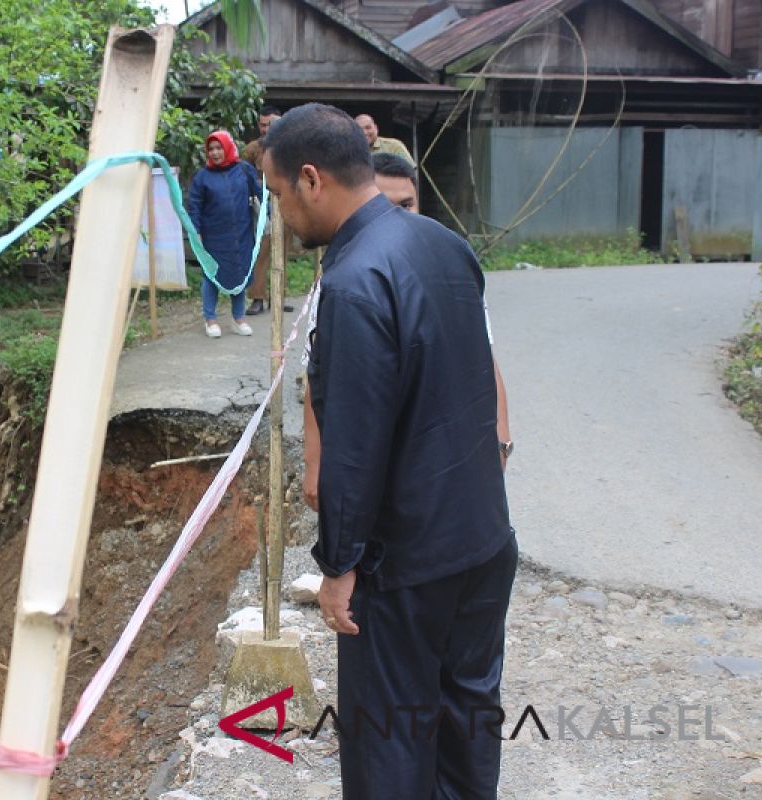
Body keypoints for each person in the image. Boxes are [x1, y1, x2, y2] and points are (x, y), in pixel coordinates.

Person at [261, 104, 516, 799]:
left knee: (389, 747)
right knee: (466, 725)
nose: (282, 213)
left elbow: (354, 444)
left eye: (279, 194)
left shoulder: (352, 283)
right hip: (484, 542)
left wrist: (339, 564)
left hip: (407, 563)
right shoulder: (444, 245)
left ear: (311, 180)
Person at [302, 152, 512, 514]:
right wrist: (314, 463)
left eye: (406, 204)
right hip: (374, 458)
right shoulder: (342, 281)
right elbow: (317, 378)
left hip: (446, 455)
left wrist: (501, 441)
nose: (396, 214)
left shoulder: (449, 268)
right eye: (385, 204)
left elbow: (483, 355)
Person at [187, 131, 261, 338]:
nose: (215, 152)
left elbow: (259, 194)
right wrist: (196, 233)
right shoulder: (203, 177)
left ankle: (239, 319)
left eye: (219, 148)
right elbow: (194, 207)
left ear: (228, 147)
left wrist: (270, 214)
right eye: (211, 149)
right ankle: (210, 320)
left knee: (239, 274)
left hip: (242, 235)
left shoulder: (244, 170)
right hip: (214, 238)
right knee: (211, 276)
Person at [241, 106, 293, 316]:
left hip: (287, 204)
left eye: (269, 124)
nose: (265, 129)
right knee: (260, 254)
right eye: (262, 125)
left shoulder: (291, 146)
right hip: (262, 208)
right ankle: (257, 298)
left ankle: (279, 298)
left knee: (282, 253)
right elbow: (242, 174)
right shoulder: (253, 149)